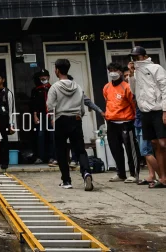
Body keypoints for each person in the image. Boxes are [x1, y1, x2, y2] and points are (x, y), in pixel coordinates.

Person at [46, 58, 94, 191]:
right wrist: (80, 114)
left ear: (56, 70)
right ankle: (86, 173)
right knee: (80, 150)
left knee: (61, 151)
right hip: (76, 119)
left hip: (61, 119)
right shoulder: (77, 86)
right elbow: (82, 105)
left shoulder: (54, 87)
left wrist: (52, 118)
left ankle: (66, 181)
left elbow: (50, 106)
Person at [127, 46, 166, 189]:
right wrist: (131, 75)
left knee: (163, 143)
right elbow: (133, 91)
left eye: (138, 57)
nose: (136, 59)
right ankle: (162, 178)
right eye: (134, 57)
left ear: (144, 56)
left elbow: (164, 88)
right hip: (145, 112)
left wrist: (165, 111)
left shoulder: (156, 68)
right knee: (155, 144)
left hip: (158, 109)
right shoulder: (136, 72)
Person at [102, 62, 139, 183]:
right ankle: (121, 173)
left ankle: (134, 174)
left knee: (130, 150)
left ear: (121, 72)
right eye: (110, 70)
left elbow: (133, 104)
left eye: (115, 70)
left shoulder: (127, 87)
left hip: (126, 122)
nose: (113, 72)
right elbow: (107, 102)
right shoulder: (106, 87)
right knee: (115, 149)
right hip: (111, 122)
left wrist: (135, 120)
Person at [30, 70, 55, 165]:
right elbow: (33, 105)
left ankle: (52, 157)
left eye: (45, 76)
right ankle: (40, 157)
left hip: (51, 115)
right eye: (41, 77)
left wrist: (53, 117)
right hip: (41, 116)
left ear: (48, 77)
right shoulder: (36, 90)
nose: (43, 78)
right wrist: (35, 116)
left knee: (52, 136)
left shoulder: (53, 88)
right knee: (40, 136)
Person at [0, 73, 16, 171]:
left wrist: (12, 124)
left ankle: (4, 162)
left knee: (4, 141)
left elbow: (11, 109)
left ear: (3, 80)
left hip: (3, 119)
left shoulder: (8, 93)